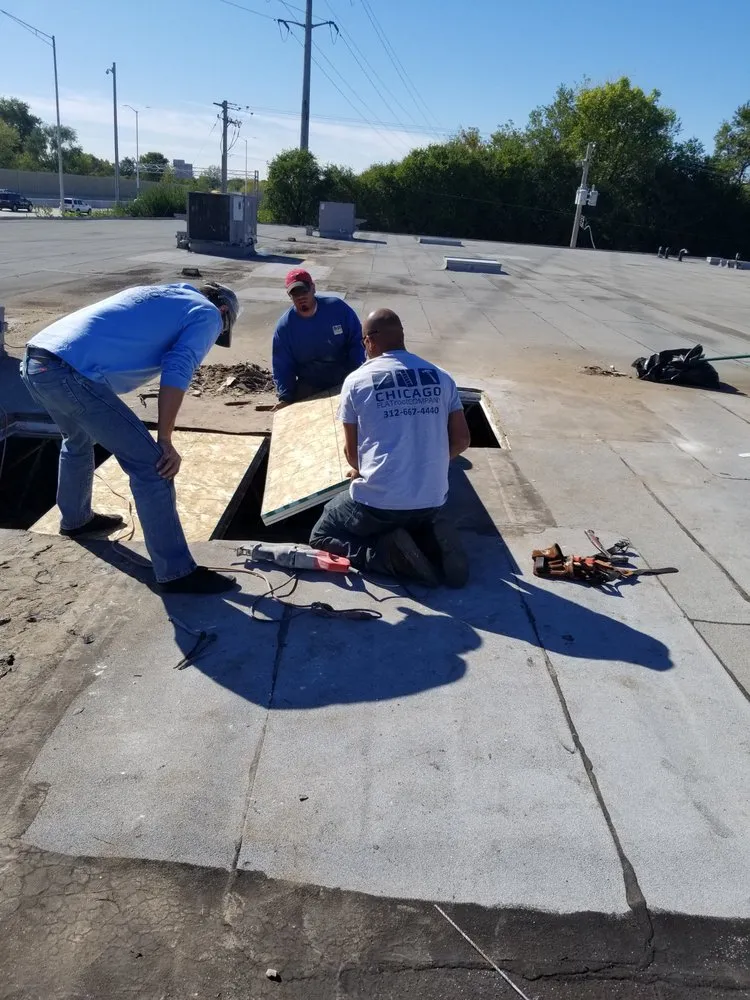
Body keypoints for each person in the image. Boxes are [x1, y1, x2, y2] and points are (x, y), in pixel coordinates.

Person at [20, 282, 241, 594]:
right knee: (153, 465)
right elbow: (178, 368)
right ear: (223, 312)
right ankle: (177, 572)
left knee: (77, 440)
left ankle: (76, 520)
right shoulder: (207, 314)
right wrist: (164, 439)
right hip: (68, 373)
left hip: (36, 362)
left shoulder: (163, 294)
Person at [310, 308, 471, 587]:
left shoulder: (357, 381)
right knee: (410, 516)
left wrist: (364, 470)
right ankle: (430, 542)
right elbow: (462, 440)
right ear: (402, 336)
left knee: (322, 534)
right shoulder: (442, 377)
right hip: (432, 500)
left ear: (369, 341)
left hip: (379, 504)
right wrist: (425, 460)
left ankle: (385, 555)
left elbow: (352, 456)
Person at [272, 268, 364, 405]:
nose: (301, 296)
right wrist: (285, 396)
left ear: (313, 288)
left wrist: (357, 377)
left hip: (343, 378)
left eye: (304, 290)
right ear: (289, 295)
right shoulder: (285, 327)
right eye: (295, 293)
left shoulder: (338, 309)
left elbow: (357, 342)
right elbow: (282, 365)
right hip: (310, 383)